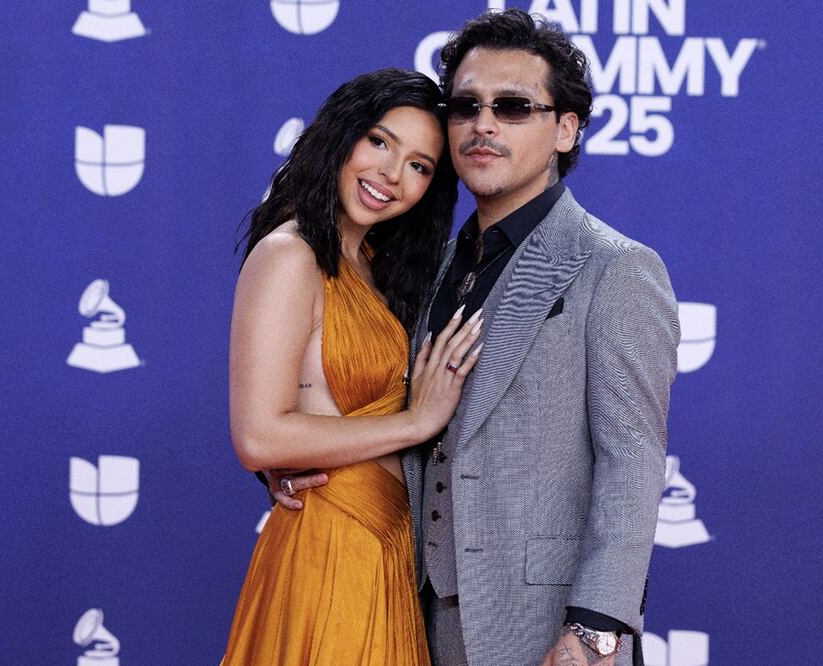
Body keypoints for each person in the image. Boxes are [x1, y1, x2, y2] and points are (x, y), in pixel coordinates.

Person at [273, 10, 680, 666]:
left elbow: (632, 462)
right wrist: (298, 466)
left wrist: (596, 627)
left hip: (547, 629)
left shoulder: (616, 268)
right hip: (406, 612)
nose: (484, 123)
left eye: (514, 106)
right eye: (467, 105)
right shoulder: (420, 266)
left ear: (564, 129)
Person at [223, 68, 483, 665]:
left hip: (387, 547)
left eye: (420, 166)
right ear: (342, 135)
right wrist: (417, 422)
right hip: (330, 546)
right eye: (380, 141)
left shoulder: (369, 263)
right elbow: (258, 435)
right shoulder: (291, 254)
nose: (391, 175)